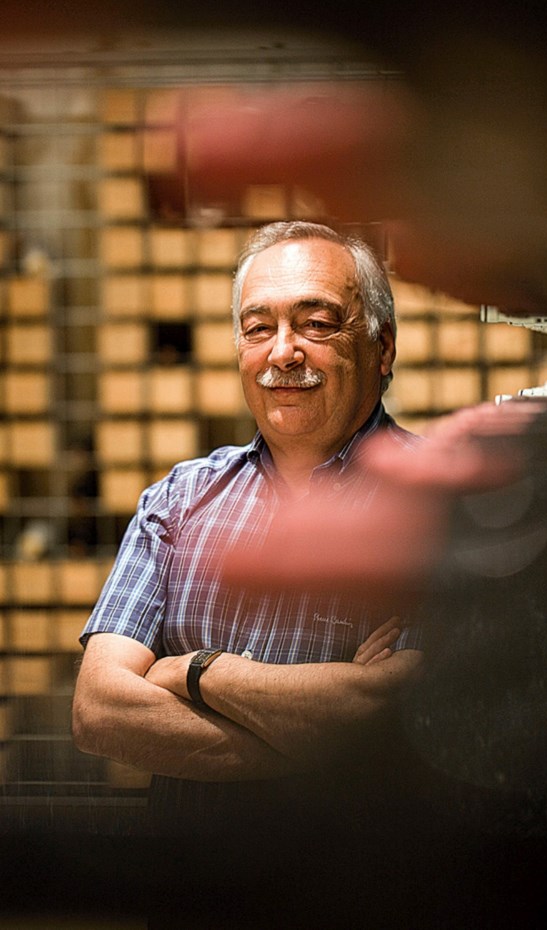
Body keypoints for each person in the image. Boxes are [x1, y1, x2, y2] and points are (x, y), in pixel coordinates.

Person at [72, 221, 436, 928]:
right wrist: (326, 738)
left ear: (382, 347)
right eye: (258, 327)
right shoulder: (177, 502)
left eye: (317, 324)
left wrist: (198, 672)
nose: (282, 352)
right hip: (192, 906)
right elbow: (99, 711)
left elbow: (399, 720)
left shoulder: (449, 508)